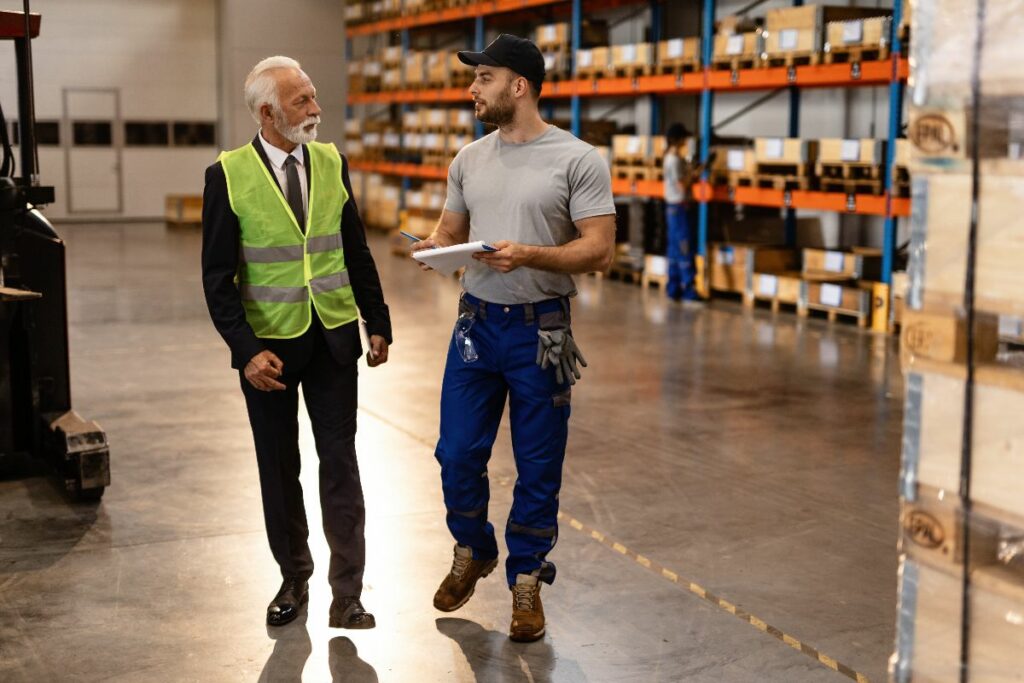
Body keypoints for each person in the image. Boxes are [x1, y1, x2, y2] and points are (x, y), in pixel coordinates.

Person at [411, 34, 616, 643]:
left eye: (484, 78)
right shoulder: (468, 159)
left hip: (541, 331)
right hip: (475, 326)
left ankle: (527, 576)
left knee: (537, 464)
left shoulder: (578, 159)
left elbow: (599, 250)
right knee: (457, 453)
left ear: (518, 86)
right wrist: (434, 248)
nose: (473, 88)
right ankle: (475, 548)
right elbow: (450, 228)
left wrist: (531, 254)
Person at [201, 55, 391, 630]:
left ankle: (348, 592)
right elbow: (216, 277)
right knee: (279, 467)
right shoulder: (228, 174)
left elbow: (353, 248)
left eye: (313, 96)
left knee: (340, 463)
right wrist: (244, 350)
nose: (316, 110)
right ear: (267, 112)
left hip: (333, 340)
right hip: (269, 352)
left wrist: (376, 320)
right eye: (302, 101)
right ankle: (294, 578)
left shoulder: (331, 162)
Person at [663, 123, 699, 301]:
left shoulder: (670, 157)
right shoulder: (674, 160)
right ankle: (688, 289)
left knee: (674, 248)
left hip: (672, 209)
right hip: (679, 208)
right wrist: (694, 174)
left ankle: (673, 287)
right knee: (684, 247)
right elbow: (682, 186)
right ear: (679, 140)